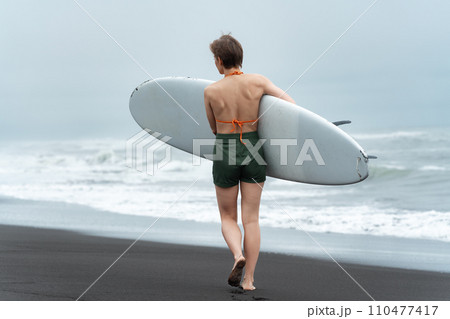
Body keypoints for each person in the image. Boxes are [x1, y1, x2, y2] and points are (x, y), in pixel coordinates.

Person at [204, 34, 295, 291]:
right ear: (240, 58)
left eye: (214, 59)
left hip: (225, 149)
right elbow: (290, 106)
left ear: (220, 61)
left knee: (227, 215)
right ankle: (250, 280)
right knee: (251, 218)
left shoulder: (211, 91)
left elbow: (214, 128)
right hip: (254, 148)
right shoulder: (258, 82)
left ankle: (237, 256)